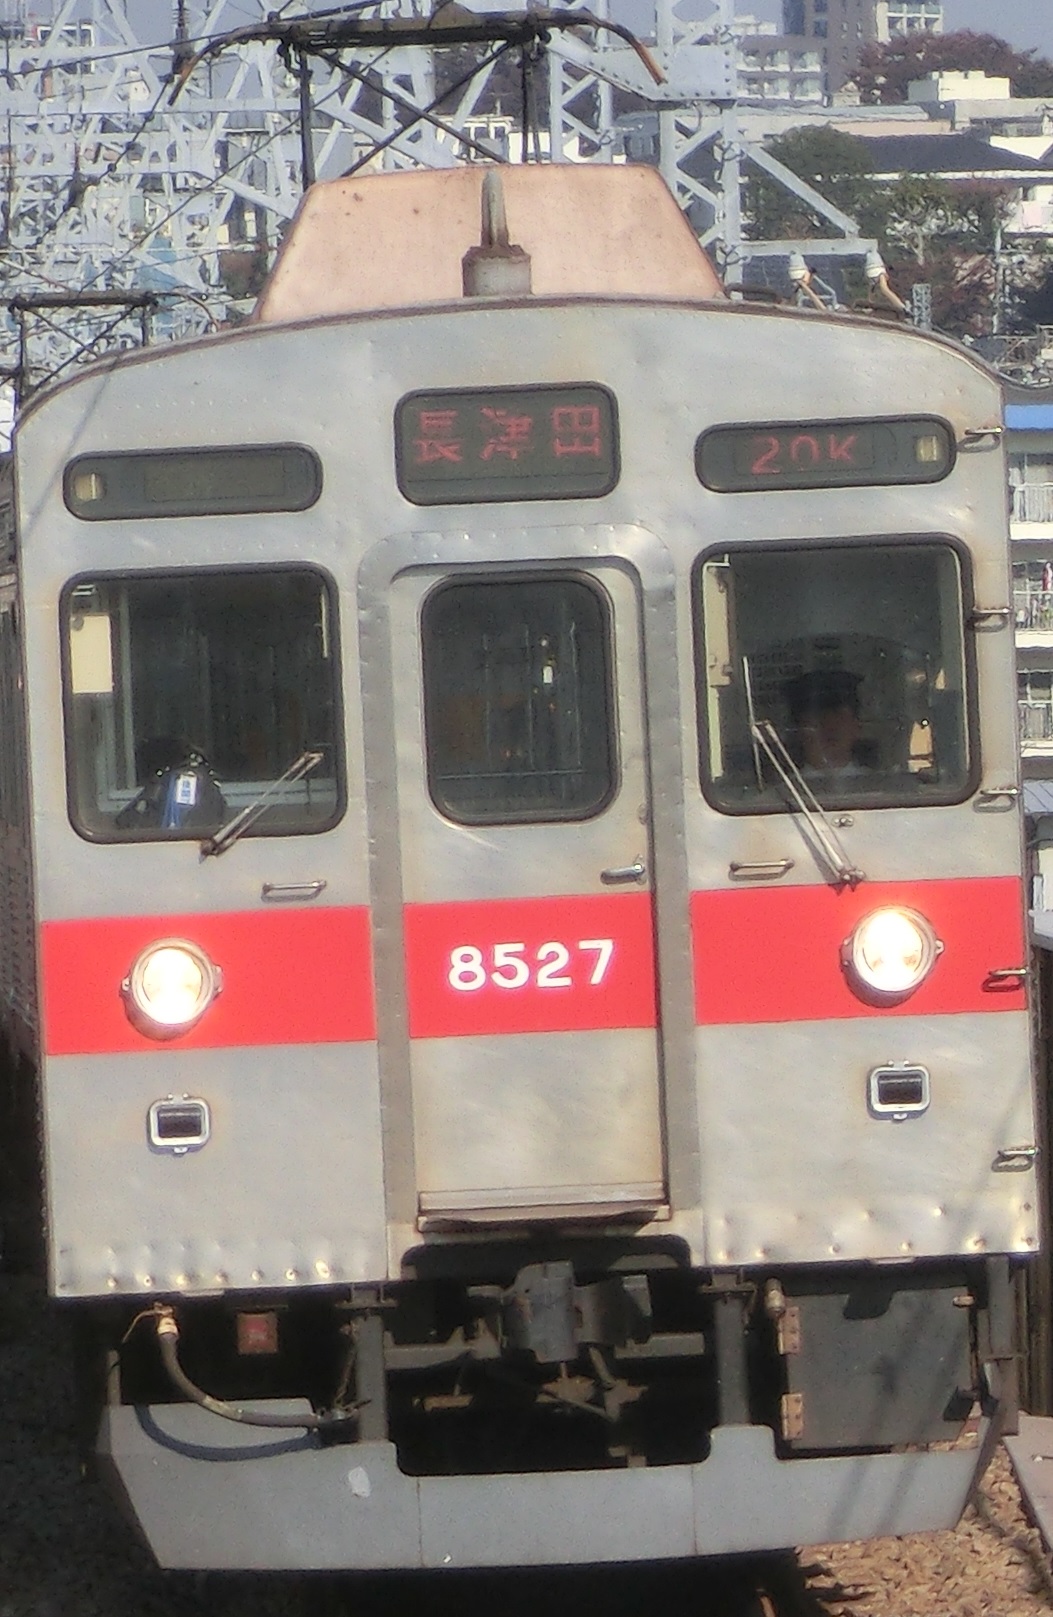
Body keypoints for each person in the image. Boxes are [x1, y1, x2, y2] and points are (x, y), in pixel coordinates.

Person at [784, 668, 870, 778]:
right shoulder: (786, 787)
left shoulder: (880, 783)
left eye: (839, 716)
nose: (829, 727)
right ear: (799, 730)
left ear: (857, 726)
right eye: (818, 719)